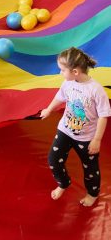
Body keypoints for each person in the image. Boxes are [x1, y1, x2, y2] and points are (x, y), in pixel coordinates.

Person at [40, 47, 111, 207]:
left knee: (90, 169)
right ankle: (63, 183)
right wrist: (49, 109)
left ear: (75, 71)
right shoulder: (68, 82)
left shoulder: (96, 90)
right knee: (53, 160)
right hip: (65, 130)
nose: (60, 74)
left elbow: (103, 115)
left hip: (86, 138)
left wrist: (97, 140)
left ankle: (92, 193)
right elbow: (60, 96)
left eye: (62, 70)